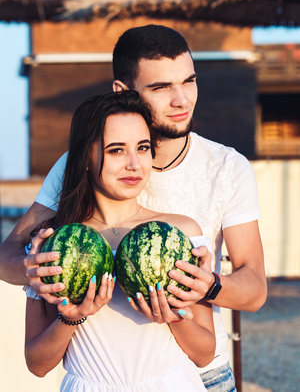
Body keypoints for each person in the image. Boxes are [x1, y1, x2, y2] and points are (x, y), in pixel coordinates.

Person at [0, 24, 267, 392]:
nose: (182, 100)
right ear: (123, 91)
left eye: (188, 81)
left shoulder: (226, 168)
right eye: (160, 87)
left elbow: (255, 288)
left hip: (201, 371)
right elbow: (9, 256)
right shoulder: (75, 166)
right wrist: (35, 272)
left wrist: (206, 287)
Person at [24, 91, 215, 391]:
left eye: (142, 148)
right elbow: (37, 364)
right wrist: (71, 319)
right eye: (116, 150)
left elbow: (205, 353)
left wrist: (174, 318)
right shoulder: (54, 243)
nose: (134, 164)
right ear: (85, 157)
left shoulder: (180, 233)